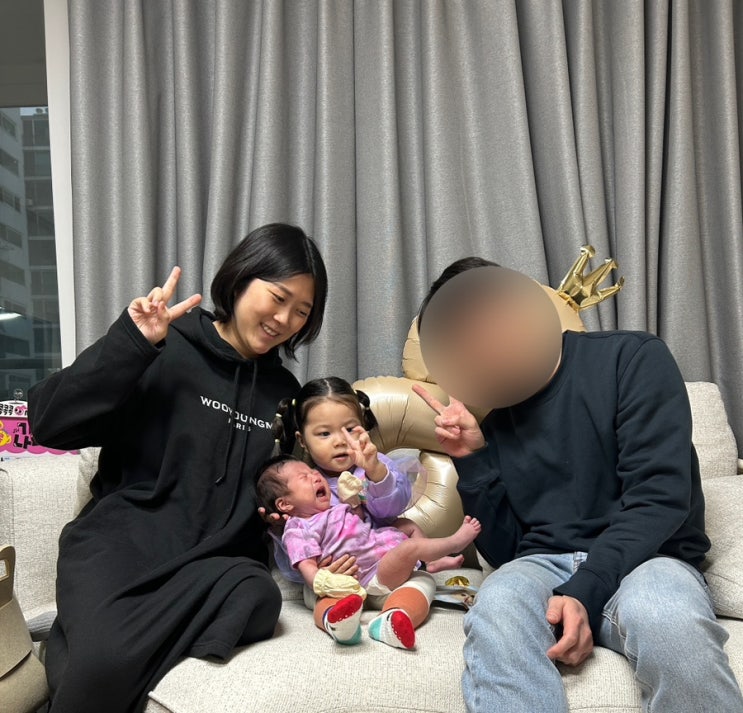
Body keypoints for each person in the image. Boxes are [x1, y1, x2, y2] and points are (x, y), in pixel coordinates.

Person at [413, 261, 743, 713]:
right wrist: (472, 459)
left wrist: (583, 591)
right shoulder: (493, 415)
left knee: (663, 611)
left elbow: (659, 499)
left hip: (649, 560)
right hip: (543, 568)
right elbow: (509, 552)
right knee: (499, 600)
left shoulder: (632, 358)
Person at [28, 223, 328, 713]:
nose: (284, 319)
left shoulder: (283, 395)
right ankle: (96, 654)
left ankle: (81, 641)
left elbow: (270, 485)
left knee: (257, 598)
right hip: (120, 549)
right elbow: (48, 423)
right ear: (240, 279)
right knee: (103, 662)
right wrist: (131, 344)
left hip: (209, 566)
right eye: (278, 298)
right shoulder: (164, 345)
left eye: (302, 311)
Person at [262, 376, 441, 649]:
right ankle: (339, 624)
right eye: (324, 434)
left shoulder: (374, 465)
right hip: (337, 580)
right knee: (316, 596)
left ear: (363, 427)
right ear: (303, 440)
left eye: (350, 428)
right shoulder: (298, 488)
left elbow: (392, 509)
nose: (340, 441)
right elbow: (298, 550)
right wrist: (321, 572)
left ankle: (395, 618)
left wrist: (375, 472)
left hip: (384, 570)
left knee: (422, 583)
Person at [256, 455, 481, 647]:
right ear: (285, 504)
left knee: (417, 563)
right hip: (348, 582)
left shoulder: (336, 508)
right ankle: (453, 543)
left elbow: (361, 523)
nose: (316, 476)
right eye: (304, 477)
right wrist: (325, 582)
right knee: (409, 550)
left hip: (380, 567)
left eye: (314, 472)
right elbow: (307, 566)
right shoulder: (298, 528)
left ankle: (393, 618)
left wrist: (355, 501)